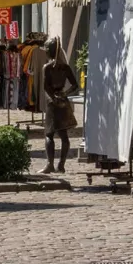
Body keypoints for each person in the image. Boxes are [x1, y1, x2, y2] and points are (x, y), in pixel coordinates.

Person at [40, 38, 78, 174]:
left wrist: (54, 97)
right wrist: (64, 93)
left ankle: (50, 164)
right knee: (63, 135)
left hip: (53, 102)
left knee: (49, 134)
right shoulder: (65, 67)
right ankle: (61, 164)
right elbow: (75, 85)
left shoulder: (48, 67)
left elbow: (46, 87)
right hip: (62, 100)